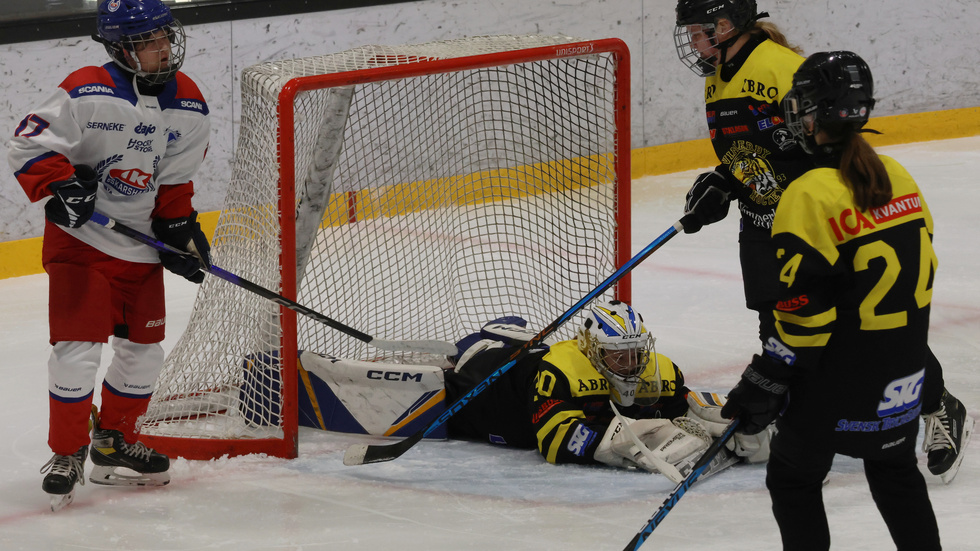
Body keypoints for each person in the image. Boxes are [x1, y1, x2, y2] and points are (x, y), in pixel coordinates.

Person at [673, 0, 971, 484]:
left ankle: (939, 405)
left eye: (698, 31)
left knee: (861, 328)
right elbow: (761, 144)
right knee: (782, 323)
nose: (692, 42)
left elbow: (828, 142)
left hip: (814, 221)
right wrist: (728, 180)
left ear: (725, 26)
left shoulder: (779, 68)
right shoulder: (719, 73)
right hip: (763, 219)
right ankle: (806, 423)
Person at [719, 51, 949, 551]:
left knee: (793, 481)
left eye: (802, 105)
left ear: (817, 112)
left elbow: (805, 313)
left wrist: (768, 376)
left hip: (837, 379)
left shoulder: (809, 194)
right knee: (895, 473)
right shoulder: (898, 176)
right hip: (903, 372)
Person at [8, 0, 212, 511]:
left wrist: (181, 230)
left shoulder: (188, 103)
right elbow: (29, 144)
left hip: (140, 247)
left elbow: (174, 183)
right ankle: (67, 451)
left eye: (164, 36)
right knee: (77, 351)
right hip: (82, 243)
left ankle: (113, 440)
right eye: (148, 41)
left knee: (145, 354)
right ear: (120, 48)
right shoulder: (87, 89)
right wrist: (61, 184)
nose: (162, 48)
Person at [443, 301, 772, 481]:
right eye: (618, 355)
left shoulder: (657, 369)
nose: (630, 364)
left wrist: (734, 419)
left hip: (528, 363)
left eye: (637, 352)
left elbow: (681, 405)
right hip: (487, 390)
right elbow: (554, 441)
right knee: (460, 380)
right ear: (592, 350)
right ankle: (490, 341)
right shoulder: (560, 371)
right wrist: (623, 439)